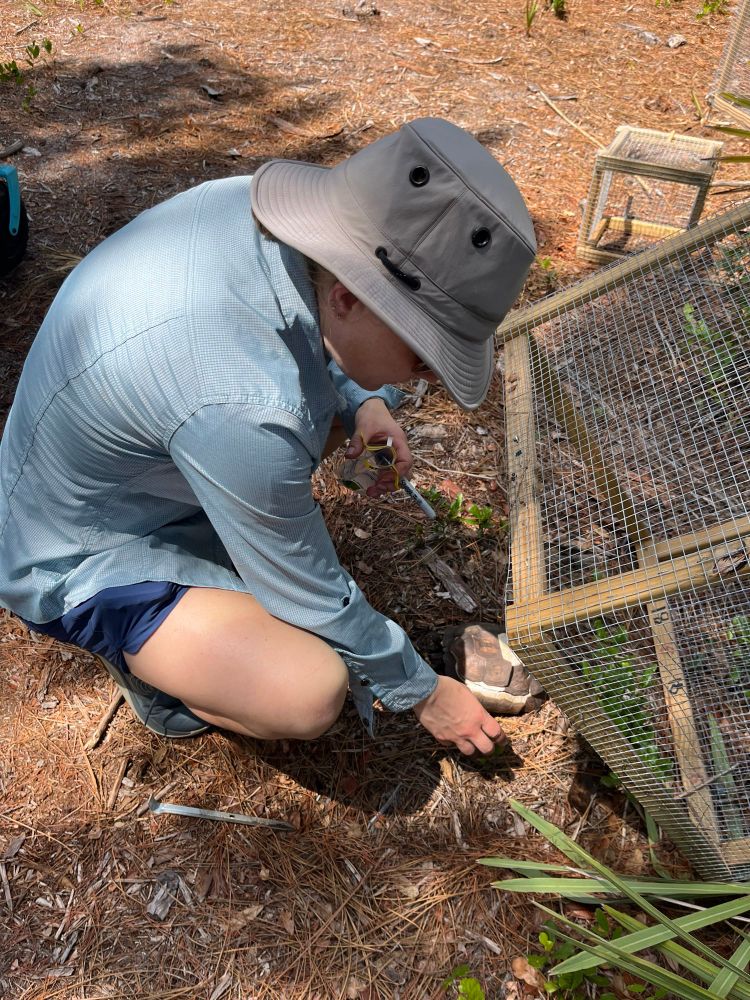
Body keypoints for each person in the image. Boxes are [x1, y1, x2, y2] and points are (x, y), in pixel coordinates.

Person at [0, 118, 536, 755]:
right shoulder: (246, 402)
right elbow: (305, 587)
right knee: (308, 690)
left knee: (313, 433)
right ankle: (155, 673)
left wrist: (367, 404)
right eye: (422, 357)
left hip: (148, 467)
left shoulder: (256, 215)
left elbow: (306, 334)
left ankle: (212, 587)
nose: (424, 380)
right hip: (75, 551)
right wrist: (422, 691)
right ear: (348, 297)